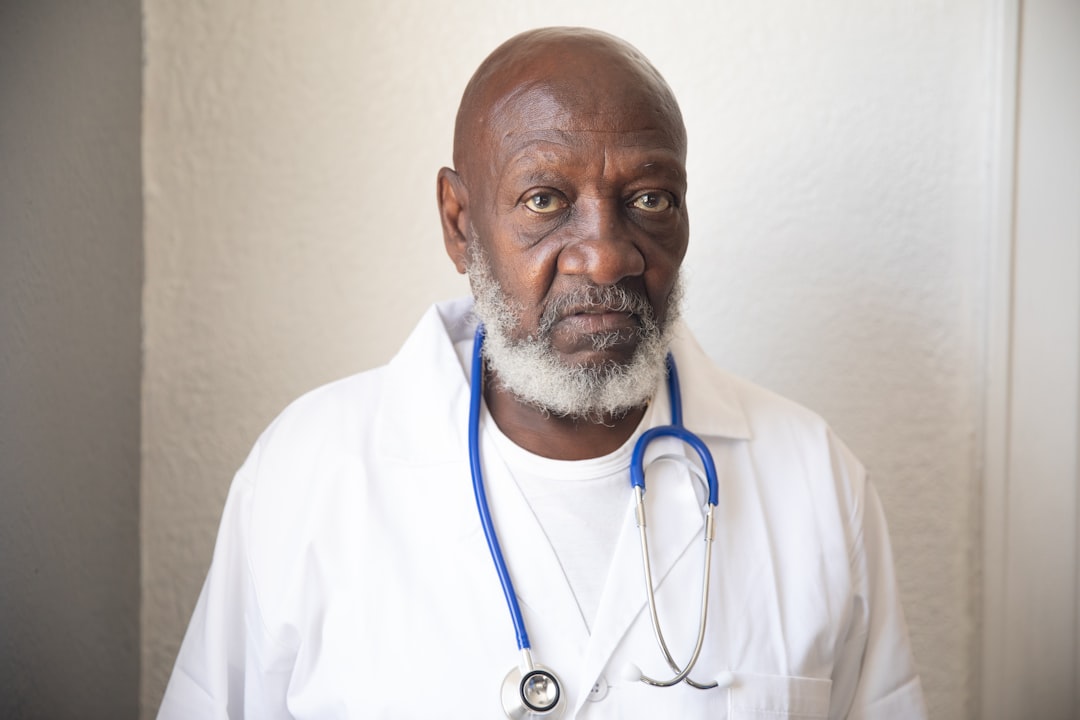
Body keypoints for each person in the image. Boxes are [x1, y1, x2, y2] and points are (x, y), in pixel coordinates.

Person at [158, 27, 927, 719]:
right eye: (544, 199)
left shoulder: (816, 482)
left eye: (650, 198)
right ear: (461, 224)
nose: (606, 254)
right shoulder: (306, 475)